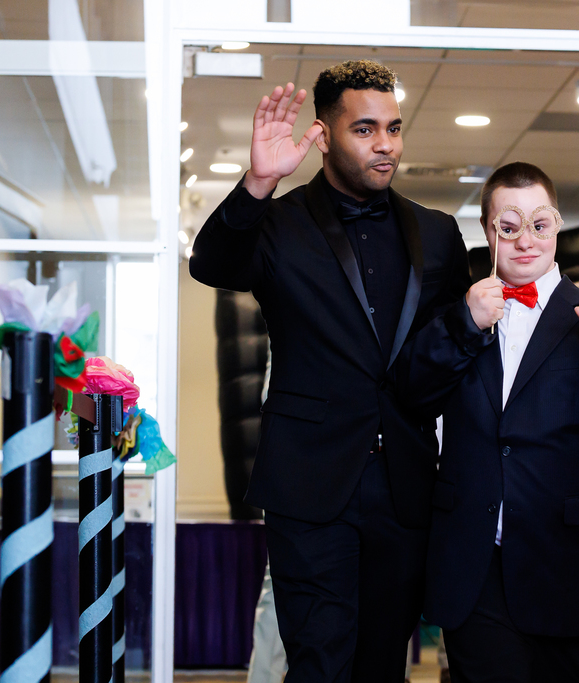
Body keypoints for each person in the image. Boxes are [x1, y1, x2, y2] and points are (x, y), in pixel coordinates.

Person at [189, 60, 472, 683]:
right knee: (319, 662)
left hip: (404, 485)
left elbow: (455, 355)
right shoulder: (278, 225)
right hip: (310, 483)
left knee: (380, 666)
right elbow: (209, 263)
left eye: (394, 128)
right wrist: (258, 183)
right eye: (366, 129)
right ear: (324, 133)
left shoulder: (440, 234)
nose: (386, 145)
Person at [397, 161, 579, 682]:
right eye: (508, 226)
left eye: (539, 224)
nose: (526, 240)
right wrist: (465, 325)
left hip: (566, 562)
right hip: (476, 565)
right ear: (487, 230)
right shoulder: (458, 311)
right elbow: (413, 395)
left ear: (557, 225)